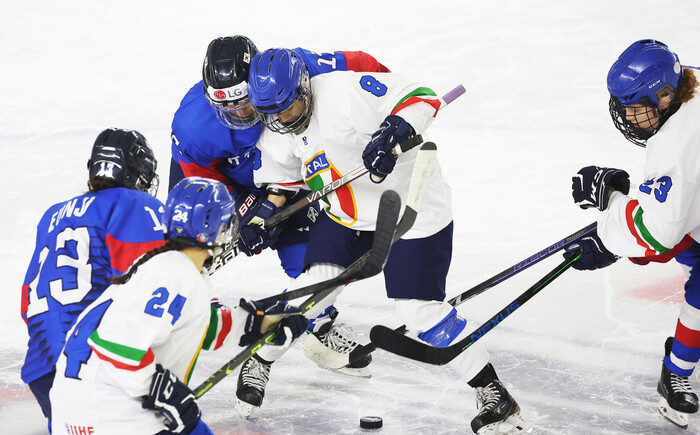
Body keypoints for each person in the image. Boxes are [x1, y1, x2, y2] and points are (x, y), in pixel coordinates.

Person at [245, 48, 533, 435]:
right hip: (346, 216)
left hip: (410, 209)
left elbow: (421, 96)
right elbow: (281, 181)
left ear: (303, 87)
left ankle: (493, 392)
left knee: (419, 312)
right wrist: (263, 216)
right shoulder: (280, 125)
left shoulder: (346, 91)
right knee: (311, 294)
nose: (281, 119)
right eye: (272, 113)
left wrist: (393, 130)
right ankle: (259, 362)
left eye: (288, 107)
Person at [169, 35, 392, 415]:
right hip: (234, 185)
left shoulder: (294, 70)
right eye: (228, 107)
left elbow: (370, 69)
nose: (240, 114)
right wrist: (244, 217)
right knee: (186, 259)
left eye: (245, 103)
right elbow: (203, 188)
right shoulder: (193, 125)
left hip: (291, 175)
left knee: (312, 260)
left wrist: (391, 119)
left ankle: (317, 328)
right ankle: (173, 321)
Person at [49, 177, 307, 434]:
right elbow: (118, 345)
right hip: (107, 415)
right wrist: (165, 393)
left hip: (84, 410)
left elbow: (195, 326)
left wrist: (258, 325)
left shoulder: (170, 265)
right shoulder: (174, 272)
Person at [564, 39, 700, 429]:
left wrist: (609, 224)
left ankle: (675, 369)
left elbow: (657, 233)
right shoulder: (688, 82)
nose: (626, 115)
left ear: (664, 96)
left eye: (634, 105)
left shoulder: (677, 144)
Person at [20, 128, 164, 428]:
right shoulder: (134, 204)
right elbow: (150, 280)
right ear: (137, 174)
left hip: (41, 363)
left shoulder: (52, 215)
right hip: (90, 362)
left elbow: (27, 299)